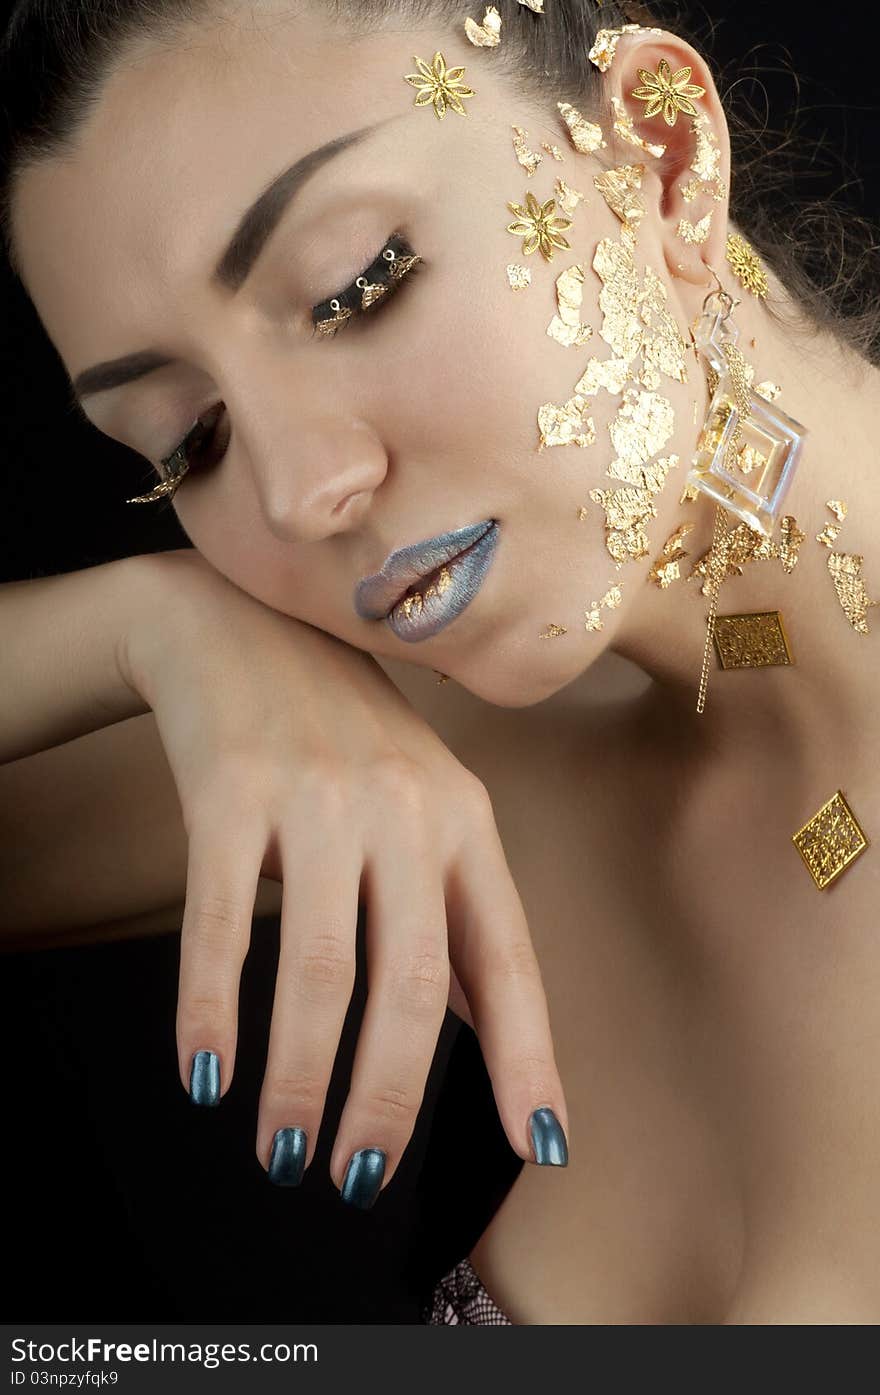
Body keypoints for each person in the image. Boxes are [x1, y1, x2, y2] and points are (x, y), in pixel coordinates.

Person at [1, 0, 879, 1325]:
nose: (302, 493)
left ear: (661, 154)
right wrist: (149, 628)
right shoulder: (428, 746)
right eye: (186, 442)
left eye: (357, 286)